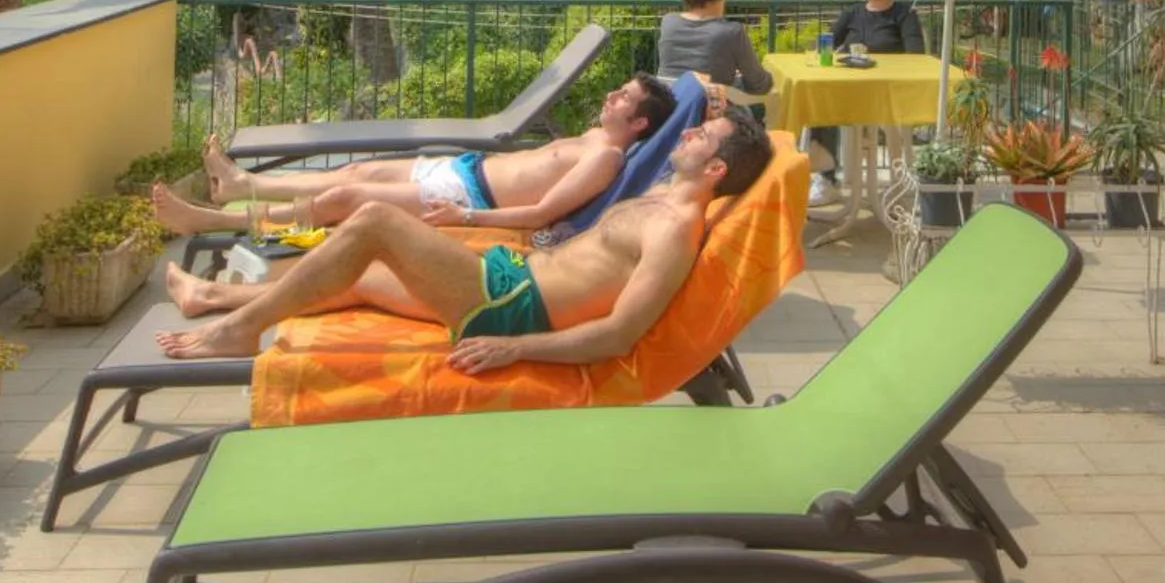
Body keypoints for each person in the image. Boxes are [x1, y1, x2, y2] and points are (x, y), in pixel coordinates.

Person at [154, 103, 777, 364]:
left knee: (369, 220)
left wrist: (516, 350)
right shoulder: (663, 194)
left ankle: (240, 331)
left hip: (510, 309)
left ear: (717, 169)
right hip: (511, 278)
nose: (689, 133)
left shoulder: (674, 228)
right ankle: (212, 300)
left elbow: (620, 335)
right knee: (365, 276)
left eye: (702, 136)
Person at [153, 75, 679, 236]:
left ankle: (210, 221)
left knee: (344, 197)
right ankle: (244, 186)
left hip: (467, 194)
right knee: (359, 169)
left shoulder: (606, 158)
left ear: (637, 123)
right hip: (466, 169)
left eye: (624, 99)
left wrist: (466, 216)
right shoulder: (593, 136)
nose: (612, 95)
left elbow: (543, 215)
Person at [808, 0, 927, 207]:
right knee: (818, 102)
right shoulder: (851, 14)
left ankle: (898, 181)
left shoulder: (904, 15)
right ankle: (826, 179)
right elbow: (825, 44)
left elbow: (917, 57)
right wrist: (821, 51)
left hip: (888, 97)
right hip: (852, 92)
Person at [655, 0, 774, 97]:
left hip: (671, 109)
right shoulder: (732, 32)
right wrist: (738, 80)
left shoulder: (668, 22)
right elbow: (759, 85)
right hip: (714, 112)